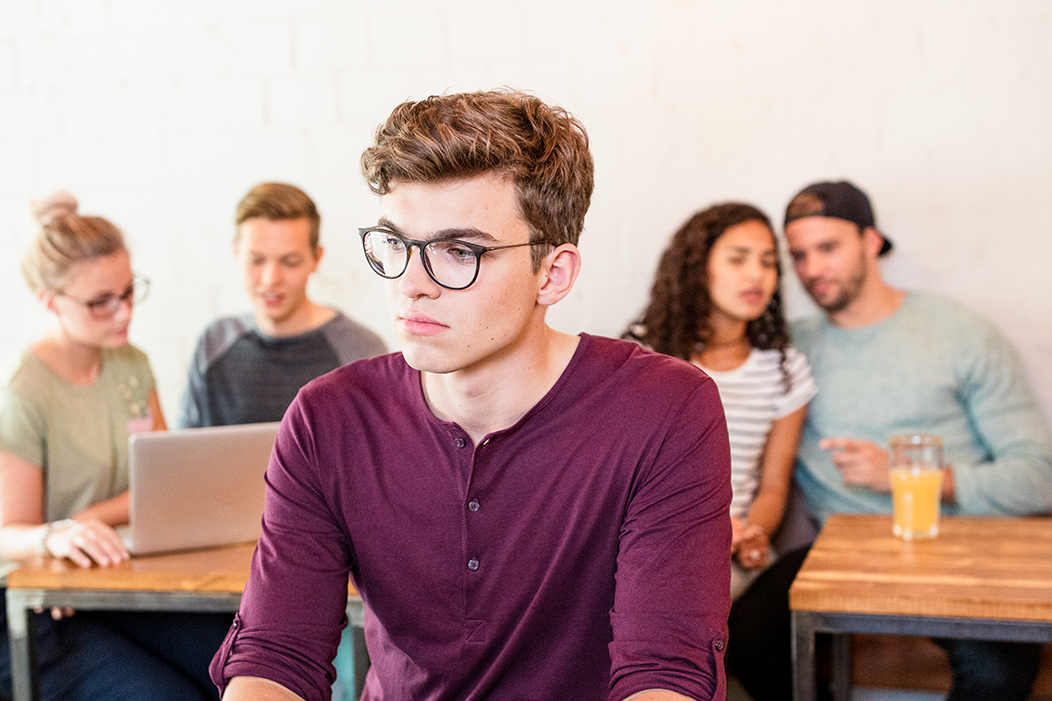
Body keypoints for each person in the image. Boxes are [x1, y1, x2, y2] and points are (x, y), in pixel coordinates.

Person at [210, 89, 733, 701]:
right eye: (396, 245)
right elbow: (276, 655)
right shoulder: (329, 417)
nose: (412, 285)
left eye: (459, 251)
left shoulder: (664, 408)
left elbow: (665, 673)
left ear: (552, 274)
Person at [727, 180, 1052, 701]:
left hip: (956, 551)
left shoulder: (959, 333)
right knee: (748, 637)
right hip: (842, 553)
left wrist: (912, 477)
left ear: (871, 241)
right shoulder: (790, 351)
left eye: (828, 248)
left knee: (998, 668)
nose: (811, 269)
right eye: (798, 255)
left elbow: (1041, 477)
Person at [0, 192, 230, 701]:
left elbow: (162, 484)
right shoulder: (23, 392)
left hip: (110, 576)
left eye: (128, 292)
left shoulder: (131, 365)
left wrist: (87, 523)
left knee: (232, 666)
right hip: (37, 604)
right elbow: (9, 534)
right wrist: (58, 538)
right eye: (100, 301)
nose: (123, 311)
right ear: (48, 300)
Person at [624, 203, 815, 598]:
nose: (756, 275)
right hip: (649, 543)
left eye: (767, 262)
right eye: (738, 259)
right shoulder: (642, 355)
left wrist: (751, 533)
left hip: (729, 555)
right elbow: (620, 473)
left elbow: (773, 487)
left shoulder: (784, 369)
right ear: (698, 269)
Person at [179, 182, 386, 429]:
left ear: (316, 258)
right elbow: (182, 452)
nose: (271, 279)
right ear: (236, 252)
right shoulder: (214, 343)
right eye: (256, 260)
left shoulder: (361, 352)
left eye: (290, 262)